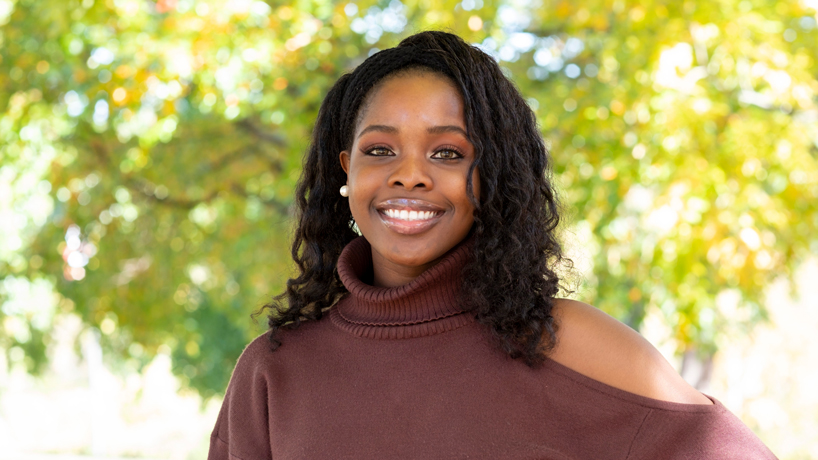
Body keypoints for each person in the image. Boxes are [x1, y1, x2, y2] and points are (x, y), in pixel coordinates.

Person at [208, 31, 776, 459]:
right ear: (346, 171)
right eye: (380, 150)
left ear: (491, 178)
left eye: (448, 153)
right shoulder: (275, 374)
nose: (409, 175)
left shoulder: (566, 343)